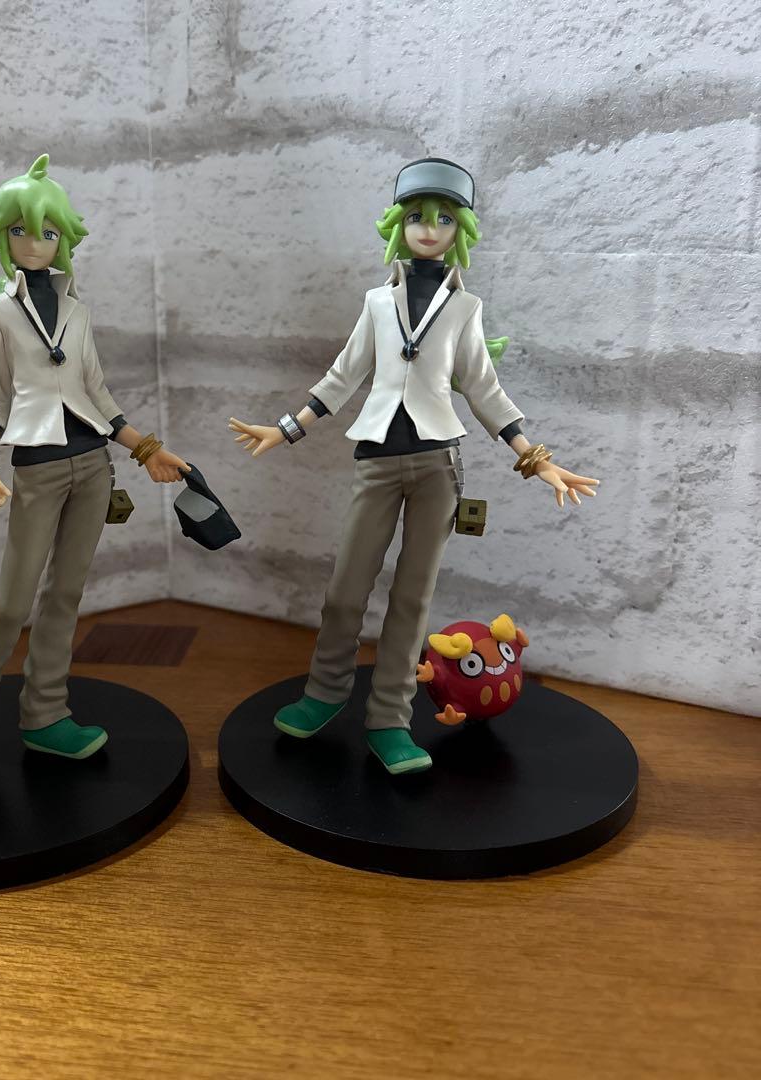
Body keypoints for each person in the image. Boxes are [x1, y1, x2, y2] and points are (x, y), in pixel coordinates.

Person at [229, 158, 598, 775]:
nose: (430, 228)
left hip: (437, 466)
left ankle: (389, 720)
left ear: (461, 231)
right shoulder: (377, 301)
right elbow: (344, 374)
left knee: (411, 600)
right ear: (398, 225)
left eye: (445, 219)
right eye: (418, 217)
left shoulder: (465, 307)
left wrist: (536, 460)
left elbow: (483, 388)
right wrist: (286, 428)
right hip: (377, 459)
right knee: (346, 589)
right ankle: (325, 691)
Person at [0, 154, 188, 766]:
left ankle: (45, 714)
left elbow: (97, 393)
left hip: (93, 465)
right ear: (2, 236)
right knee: (12, 601)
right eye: (19, 230)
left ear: (63, 239)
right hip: (37, 468)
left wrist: (148, 449)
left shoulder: (77, 309)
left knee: (66, 595)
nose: (33, 243)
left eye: (47, 232)